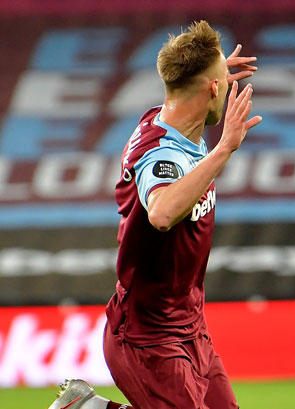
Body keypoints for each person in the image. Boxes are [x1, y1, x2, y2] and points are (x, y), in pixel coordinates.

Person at [48, 20, 261, 409]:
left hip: (191, 328)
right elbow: (161, 213)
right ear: (213, 88)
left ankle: (87, 407)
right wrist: (224, 149)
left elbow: (188, 91)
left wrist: (215, 73)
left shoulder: (170, 117)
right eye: (222, 84)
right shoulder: (161, 153)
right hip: (149, 336)